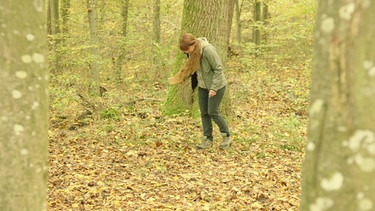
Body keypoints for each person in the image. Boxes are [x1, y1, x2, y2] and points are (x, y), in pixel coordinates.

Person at [168, 33, 232, 149]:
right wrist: (180, 78)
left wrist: (213, 88)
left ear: (193, 44)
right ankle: (207, 139)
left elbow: (218, 69)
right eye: (185, 51)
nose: (187, 52)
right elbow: (192, 68)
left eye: (187, 49)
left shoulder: (208, 50)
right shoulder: (192, 53)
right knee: (204, 113)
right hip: (203, 86)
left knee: (212, 111)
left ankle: (226, 136)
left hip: (217, 85)